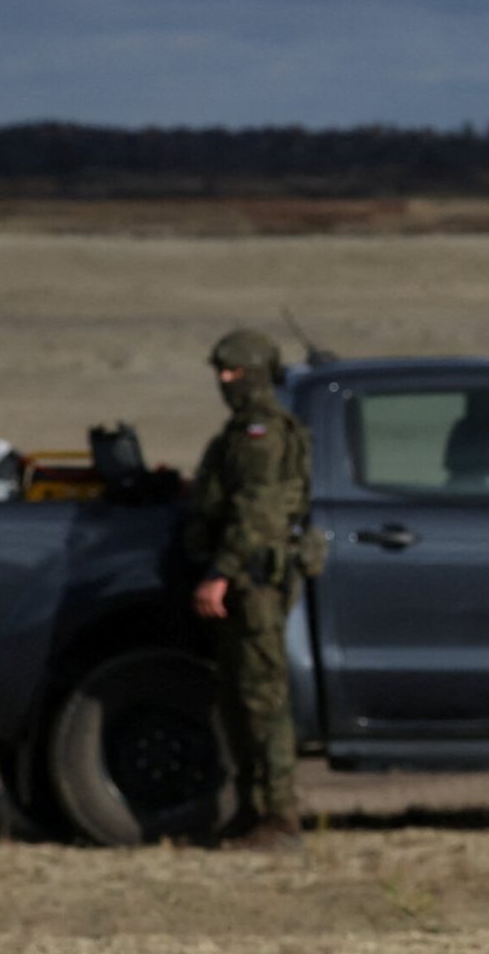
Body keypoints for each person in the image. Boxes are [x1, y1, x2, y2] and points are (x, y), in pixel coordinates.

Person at [182, 327, 313, 852]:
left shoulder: (263, 432)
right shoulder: (240, 432)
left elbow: (256, 512)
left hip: (254, 579)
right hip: (242, 578)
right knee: (236, 698)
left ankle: (279, 817)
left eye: (235, 371)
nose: (226, 380)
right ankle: (251, 808)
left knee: (263, 696)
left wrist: (220, 573)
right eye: (221, 371)